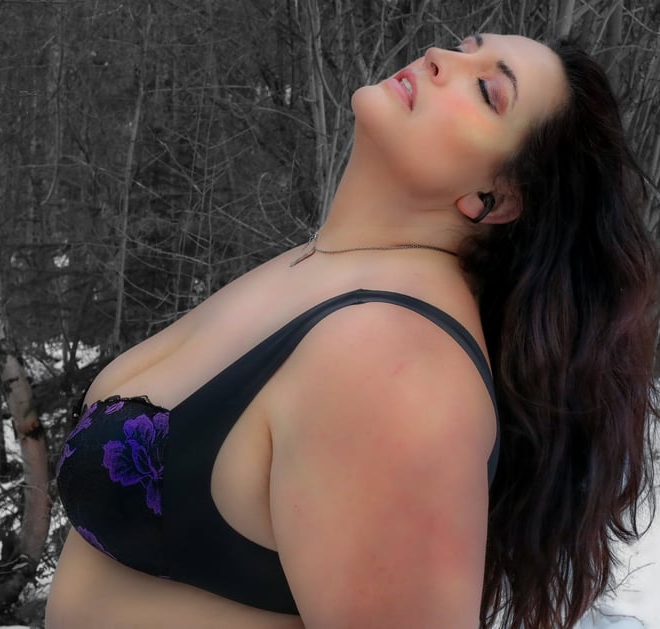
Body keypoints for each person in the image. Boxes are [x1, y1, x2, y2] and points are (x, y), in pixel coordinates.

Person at [45, 33, 659, 629]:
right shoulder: (322, 266)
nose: (439, 57)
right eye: (463, 48)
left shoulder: (399, 360)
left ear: (492, 197)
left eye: (488, 92)